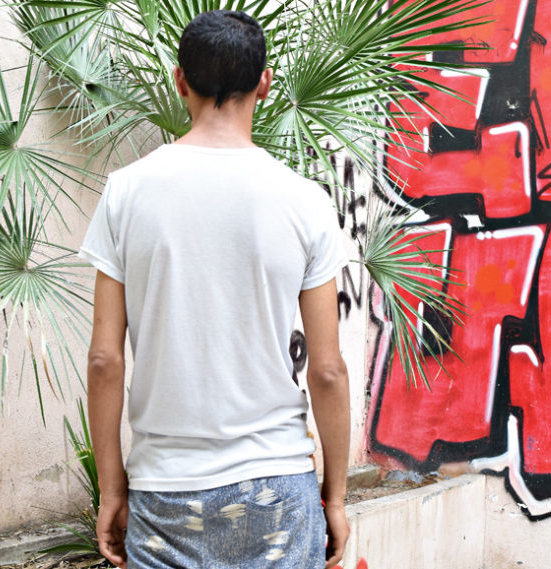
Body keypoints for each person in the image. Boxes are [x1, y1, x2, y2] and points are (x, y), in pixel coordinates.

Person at [79, 9, 351, 569]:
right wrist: (338, 497)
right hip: (278, 488)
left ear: (180, 81)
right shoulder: (305, 201)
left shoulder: (126, 192)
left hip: (166, 491)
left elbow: (105, 360)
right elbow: (327, 370)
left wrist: (111, 489)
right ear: (265, 84)